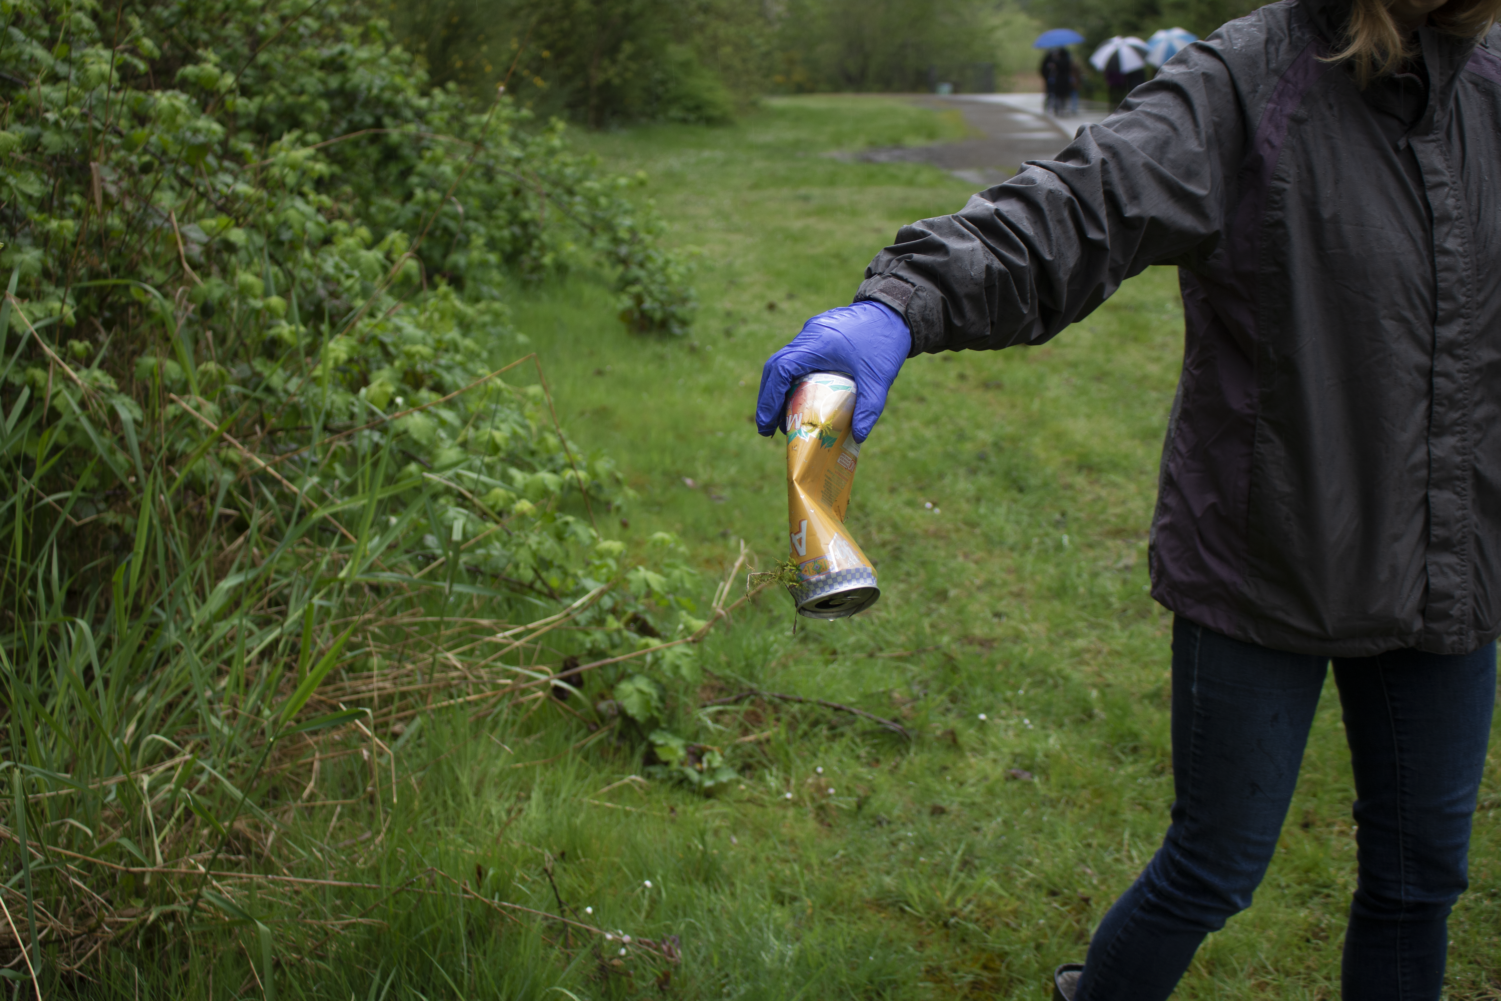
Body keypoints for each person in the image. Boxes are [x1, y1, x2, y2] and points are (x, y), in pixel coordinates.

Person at [754, 0, 1501, 996]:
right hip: (1267, 556)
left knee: (1420, 883)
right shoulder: (1251, 81)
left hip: (1450, 563)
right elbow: (1079, 204)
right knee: (1213, 869)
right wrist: (901, 302)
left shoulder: (1488, 91)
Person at [1039, 47, 1073, 115]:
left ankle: (1058, 109)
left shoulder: (1062, 60)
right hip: (1053, 81)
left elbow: (1066, 68)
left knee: (1058, 96)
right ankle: (1054, 108)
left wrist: (1056, 64)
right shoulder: (1050, 59)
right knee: (1053, 96)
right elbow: (1043, 69)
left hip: (1059, 82)